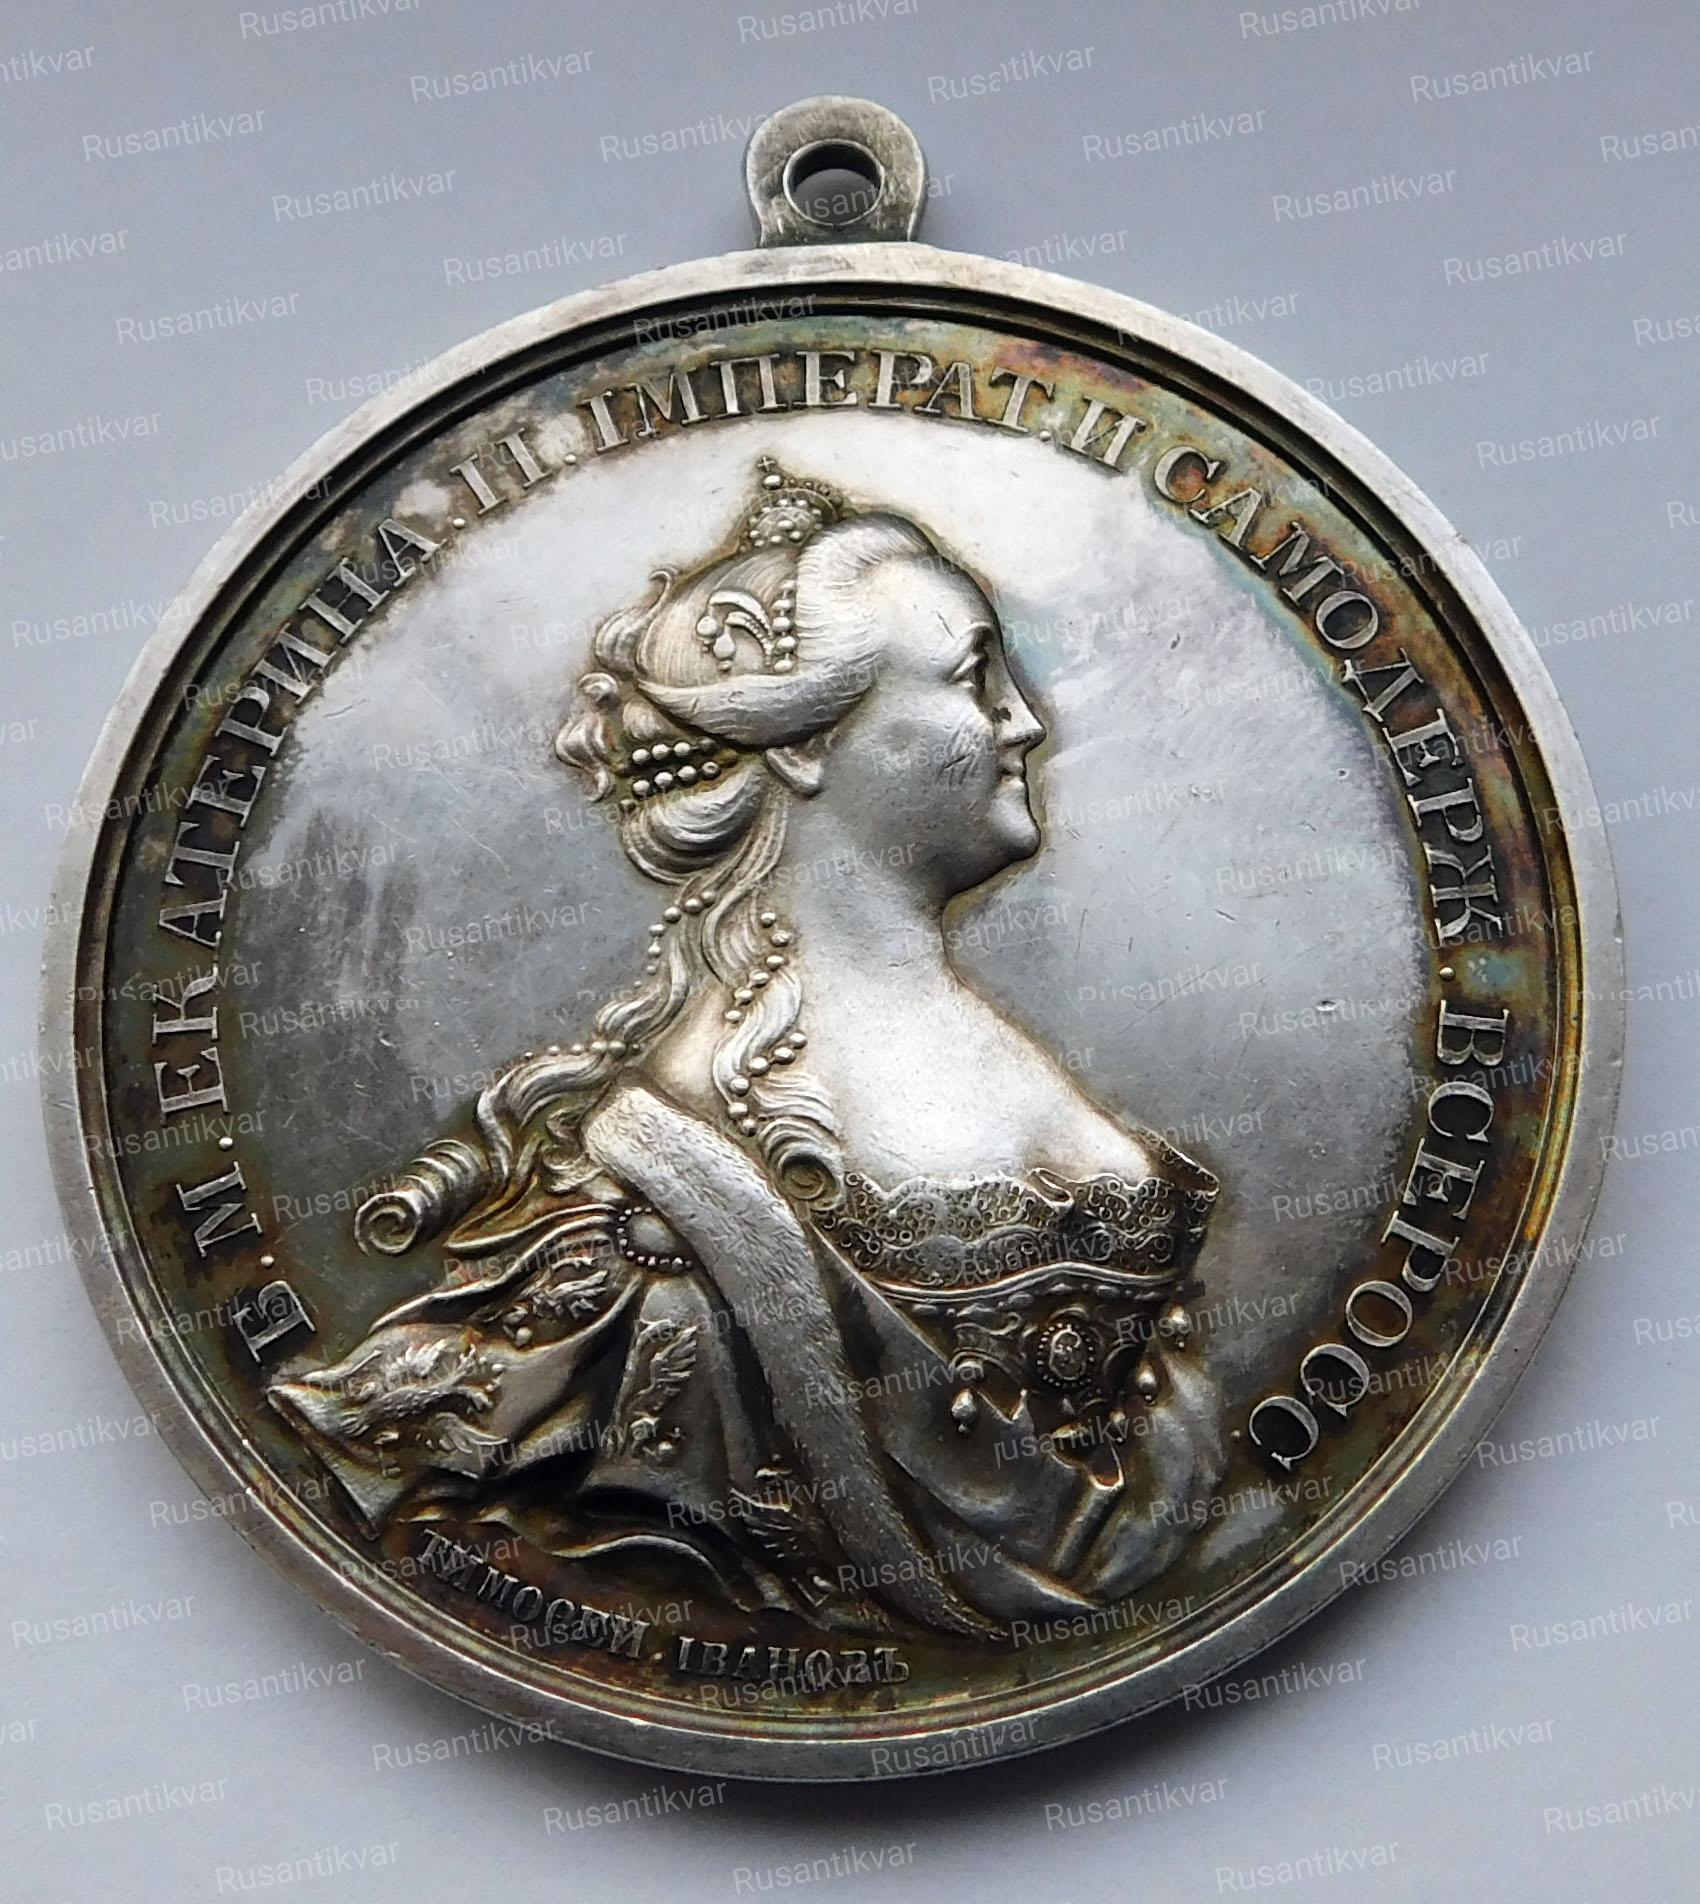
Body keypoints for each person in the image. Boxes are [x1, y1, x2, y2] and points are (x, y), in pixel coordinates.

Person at [270, 459, 1225, 1642]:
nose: (1024, 720)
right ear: (801, 743)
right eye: (972, 675)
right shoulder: (665, 1196)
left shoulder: (1004, 1068)